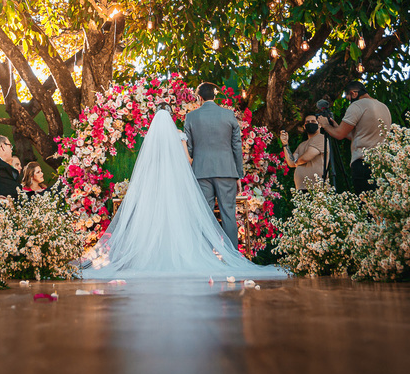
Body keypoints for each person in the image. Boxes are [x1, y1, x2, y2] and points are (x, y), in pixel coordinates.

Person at [80, 108, 286, 279]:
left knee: (153, 222)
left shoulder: (151, 139)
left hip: (154, 187)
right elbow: (188, 161)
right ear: (171, 118)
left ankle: (151, 256)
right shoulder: (178, 136)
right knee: (177, 220)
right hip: (175, 185)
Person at [184, 82, 244, 246]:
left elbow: (188, 148)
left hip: (201, 171)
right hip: (226, 170)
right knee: (228, 213)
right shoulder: (228, 115)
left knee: (205, 215)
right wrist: (239, 174)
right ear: (215, 96)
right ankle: (232, 256)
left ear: (200, 97)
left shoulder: (191, 117)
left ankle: (207, 258)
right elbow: (237, 145)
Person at [318, 81, 393, 192]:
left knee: (364, 204)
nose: (349, 102)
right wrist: (337, 127)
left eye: (348, 99)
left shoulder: (357, 105)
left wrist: (324, 124)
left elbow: (339, 135)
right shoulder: (384, 107)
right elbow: (359, 135)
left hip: (363, 163)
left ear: (353, 93)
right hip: (382, 163)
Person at [279, 115, 327, 191]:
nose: (310, 123)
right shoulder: (302, 145)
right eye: (307, 122)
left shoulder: (321, 138)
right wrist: (285, 144)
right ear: (304, 126)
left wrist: (296, 162)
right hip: (301, 188)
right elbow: (291, 162)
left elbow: (305, 158)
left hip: (316, 188)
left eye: (313, 121)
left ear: (320, 125)